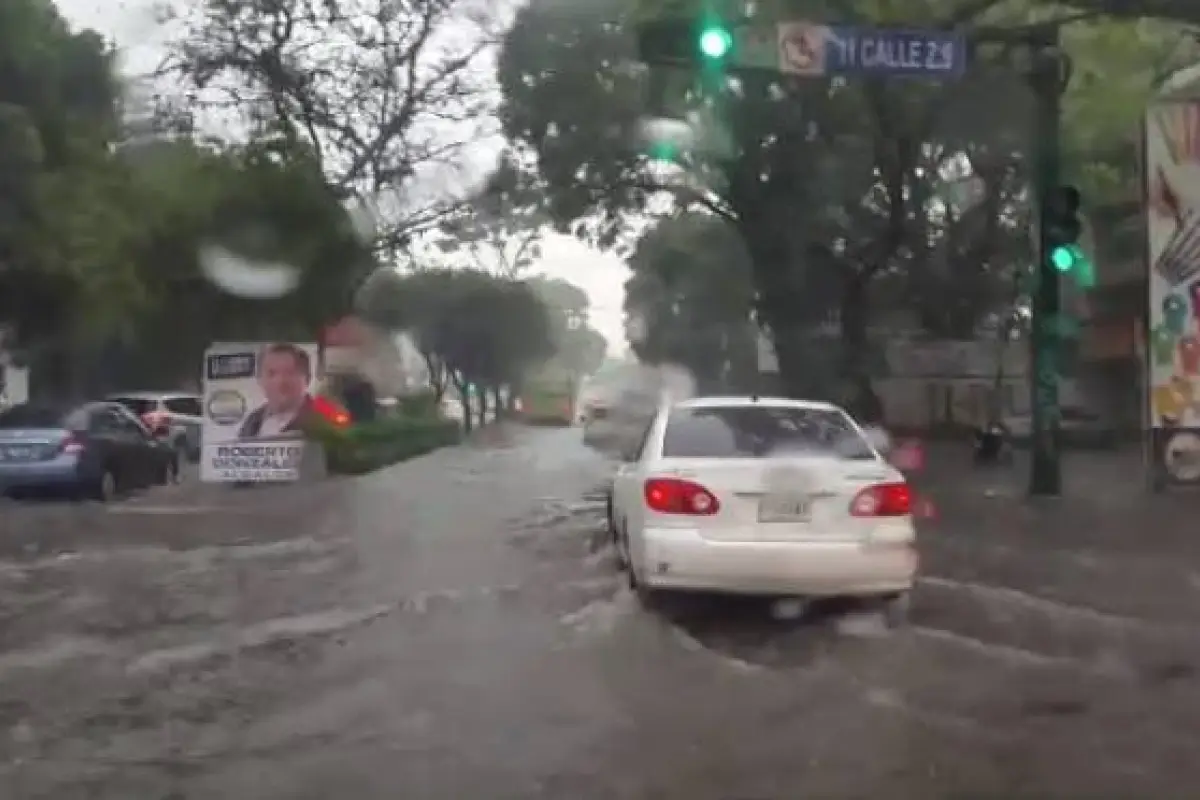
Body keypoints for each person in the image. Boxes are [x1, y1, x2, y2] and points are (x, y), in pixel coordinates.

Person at [237, 343, 315, 439]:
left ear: (308, 378)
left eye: (290, 373)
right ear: (259, 380)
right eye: (271, 374)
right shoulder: (252, 422)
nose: (280, 381)